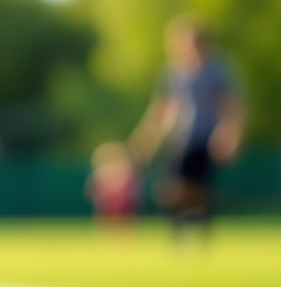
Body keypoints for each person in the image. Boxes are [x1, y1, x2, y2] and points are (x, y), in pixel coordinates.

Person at [132, 17, 244, 238]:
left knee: (196, 188)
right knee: (172, 189)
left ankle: (201, 228)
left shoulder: (217, 70)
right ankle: (180, 230)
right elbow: (162, 107)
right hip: (180, 137)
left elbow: (230, 104)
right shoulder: (174, 72)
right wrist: (148, 136)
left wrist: (230, 133)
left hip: (205, 137)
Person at [87, 141, 142, 229]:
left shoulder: (125, 171)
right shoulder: (103, 172)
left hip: (122, 204)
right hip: (108, 203)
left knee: (123, 222)